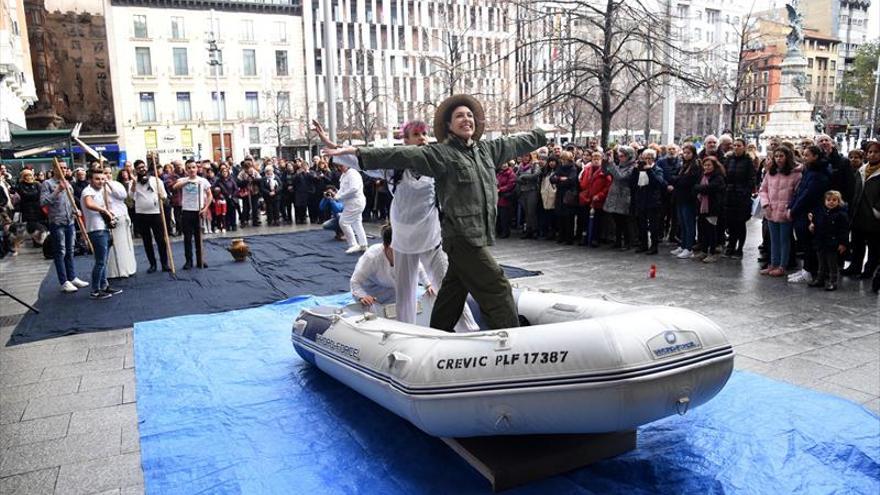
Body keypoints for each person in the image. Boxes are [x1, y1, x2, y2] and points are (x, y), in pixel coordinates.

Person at [323, 94, 547, 332]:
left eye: (470, 115)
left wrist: (540, 135)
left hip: (439, 234)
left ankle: (443, 332)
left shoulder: (486, 150)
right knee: (496, 285)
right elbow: (392, 155)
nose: (466, 119)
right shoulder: (436, 156)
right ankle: (512, 341)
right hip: (437, 237)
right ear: (448, 126)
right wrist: (348, 151)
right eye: (459, 116)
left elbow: (513, 143)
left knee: (451, 290)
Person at [351, 224, 432, 309]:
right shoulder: (372, 257)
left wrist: (428, 285)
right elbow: (355, 281)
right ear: (387, 247)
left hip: (394, 291)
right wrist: (362, 296)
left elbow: (419, 269)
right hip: (372, 293)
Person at [39, 162, 89, 292]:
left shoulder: (68, 183)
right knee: (60, 252)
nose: (63, 170)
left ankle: (72, 277)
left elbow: (70, 201)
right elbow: (43, 202)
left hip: (70, 221)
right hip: (57, 222)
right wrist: (57, 190)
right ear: (54, 169)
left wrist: (75, 210)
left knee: (70, 250)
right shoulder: (47, 184)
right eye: (60, 168)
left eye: (65, 168)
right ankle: (64, 281)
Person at [788, 145, 830, 284]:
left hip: (810, 212)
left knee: (808, 243)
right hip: (802, 211)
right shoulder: (809, 170)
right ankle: (806, 269)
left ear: (815, 156)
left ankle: (809, 271)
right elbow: (800, 190)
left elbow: (808, 194)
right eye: (804, 155)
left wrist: (794, 209)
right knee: (804, 242)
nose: (804, 158)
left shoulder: (819, 173)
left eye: (807, 155)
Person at [758, 145, 802, 277]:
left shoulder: (796, 174)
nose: (778, 159)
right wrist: (765, 204)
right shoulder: (770, 172)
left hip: (785, 211)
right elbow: (763, 189)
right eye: (776, 156)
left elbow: (797, 194)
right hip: (771, 210)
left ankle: (782, 265)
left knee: (784, 240)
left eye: (781, 156)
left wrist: (790, 208)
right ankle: (773, 263)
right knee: (773, 239)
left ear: (787, 157)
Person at [80, 169, 123, 299]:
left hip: (103, 228)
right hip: (96, 229)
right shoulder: (88, 191)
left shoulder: (99, 191)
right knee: (100, 261)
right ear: (90, 180)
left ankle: (104, 286)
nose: (101, 181)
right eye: (97, 179)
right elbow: (88, 204)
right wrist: (104, 210)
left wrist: (108, 213)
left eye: (103, 179)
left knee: (103, 261)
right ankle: (95, 290)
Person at [847, 141, 880, 279]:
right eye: (870, 152)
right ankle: (855, 266)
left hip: (873, 216)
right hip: (858, 213)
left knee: (873, 246)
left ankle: (869, 270)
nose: (872, 155)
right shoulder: (862, 170)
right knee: (857, 243)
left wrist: (877, 209)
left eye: (875, 152)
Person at [131, 160, 170, 273]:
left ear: (146, 167)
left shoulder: (156, 180)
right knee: (147, 241)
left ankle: (164, 263)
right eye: (139, 168)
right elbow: (130, 198)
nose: (142, 169)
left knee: (160, 240)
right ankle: (152, 264)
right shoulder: (134, 182)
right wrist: (133, 183)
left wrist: (161, 196)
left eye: (143, 167)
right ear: (136, 170)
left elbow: (165, 196)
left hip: (156, 213)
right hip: (141, 215)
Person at [173, 160, 213, 269]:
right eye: (189, 168)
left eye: (193, 167)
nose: (192, 170)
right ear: (186, 170)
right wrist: (188, 181)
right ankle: (189, 261)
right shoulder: (183, 180)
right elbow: (175, 187)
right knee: (187, 238)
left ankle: (200, 260)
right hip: (186, 211)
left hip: (199, 211)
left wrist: (205, 208)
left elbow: (210, 195)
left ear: (197, 168)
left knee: (198, 237)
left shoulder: (202, 181)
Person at [807, 190, 849, 291]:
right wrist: (812, 227)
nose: (831, 202)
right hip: (821, 242)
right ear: (825, 201)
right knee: (821, 263)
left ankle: (833, 281)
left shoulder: (841, 215)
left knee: (832, 264)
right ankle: (820, 279)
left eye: (834, 200)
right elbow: (816, 224)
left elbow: (844, 231)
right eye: (828, 200)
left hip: (832, 244)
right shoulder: (820, 212)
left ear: (839, 202)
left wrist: (843, 243)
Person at [722, 138, 756, 258]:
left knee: (740, 224)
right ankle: (731, 245)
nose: (736, 147)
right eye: (734, 145)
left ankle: (739, 248)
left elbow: (752, 179)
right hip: (730, 195)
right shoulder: (729, 160)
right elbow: (724, 175)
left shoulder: (748, 161)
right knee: (730, 223)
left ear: (744, 147)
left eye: (739, 145)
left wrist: (745, 192)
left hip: (742, 197)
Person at [629, 148, 666, 254]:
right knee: (641, 224)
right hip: (641, 200)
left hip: (653, 201)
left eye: (649, 158)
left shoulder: (657, 169)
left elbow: (658, 183)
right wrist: (636, 170)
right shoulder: (639, 170)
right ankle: (643, 244)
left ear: (653, 159)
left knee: (653, 225)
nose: (647, 160)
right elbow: (632, 184)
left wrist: (649, 170)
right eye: (645, 158)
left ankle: (654, 246)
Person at [103, 166, 137, 278]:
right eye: (104, 173)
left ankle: (126, 269)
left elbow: (122, 195)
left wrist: (108, 184)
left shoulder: (117, 184)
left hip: (121, 217)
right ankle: (114, 272)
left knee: (123, 245)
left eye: (108, 173)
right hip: (108, 219)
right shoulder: (98, 187)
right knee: (113, 247)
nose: (107, 175)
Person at [331, 156, 368, 254]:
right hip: (352, 203)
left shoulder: (352, 174)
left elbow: (354, 189)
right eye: (338, 166)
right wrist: (336, 196)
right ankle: (363, 244)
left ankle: (353, 245)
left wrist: (339, 197)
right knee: (356, 223)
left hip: (355, 202)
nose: (339, 168)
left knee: (344, 222)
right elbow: (343, 189)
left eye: (341, 165)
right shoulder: (345, 175)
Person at [603, 146, 637, 250]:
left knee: (624, 221)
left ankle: (627, 243)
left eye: (622, 156)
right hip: (615, 194)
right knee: (617, 220)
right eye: (619, 156)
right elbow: (605, 172)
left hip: (624, 196)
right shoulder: (619, 165)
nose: (620, 158)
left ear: (628, 156)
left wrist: (612, 164)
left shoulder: (632, 167)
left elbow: (620, 177)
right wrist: (605, 162)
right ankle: (618, 241)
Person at [693, 157, 726, 263]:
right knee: (703, 230)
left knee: (712, 231)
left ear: (714, 166)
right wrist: (700, 188)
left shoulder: (718, 177)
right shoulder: (702, 176)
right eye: (705, 165)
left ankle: (712, 252)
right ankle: (703, 250)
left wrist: (700, 188)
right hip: (702, 208)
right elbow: (696, 188)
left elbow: (709, 189)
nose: (706, 167)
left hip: (713, 208)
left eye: (709, 165)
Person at [515, 153, 541, 239]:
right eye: (523, 156)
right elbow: (516, 177)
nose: (525, 158)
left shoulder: (534, 165)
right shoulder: (520, 166)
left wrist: (523, 176)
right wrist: (521, 179)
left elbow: (536, 175)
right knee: (526, 212)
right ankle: (528, 230)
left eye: (527, 156)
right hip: (523, 191)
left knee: (531, 212)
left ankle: (535, 230)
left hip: (532, 190)